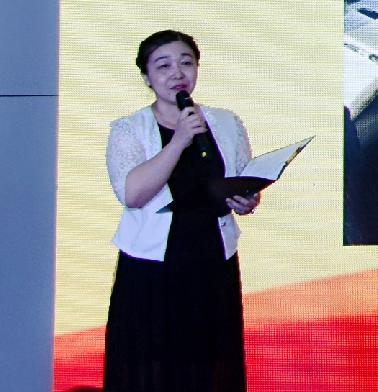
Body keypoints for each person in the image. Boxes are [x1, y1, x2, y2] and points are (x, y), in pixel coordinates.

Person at [104, 30, 261, 392]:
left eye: (186, 63)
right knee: (152, 367)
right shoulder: (129, 129)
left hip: (212, 261)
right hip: (152, 267)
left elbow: (241, 181)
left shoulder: (226, 122)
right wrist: (178, 141)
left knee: (207, 364)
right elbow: (133, 194)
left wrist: (247, 201)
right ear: (146, 77)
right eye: (163, 66)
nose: (177, 73)